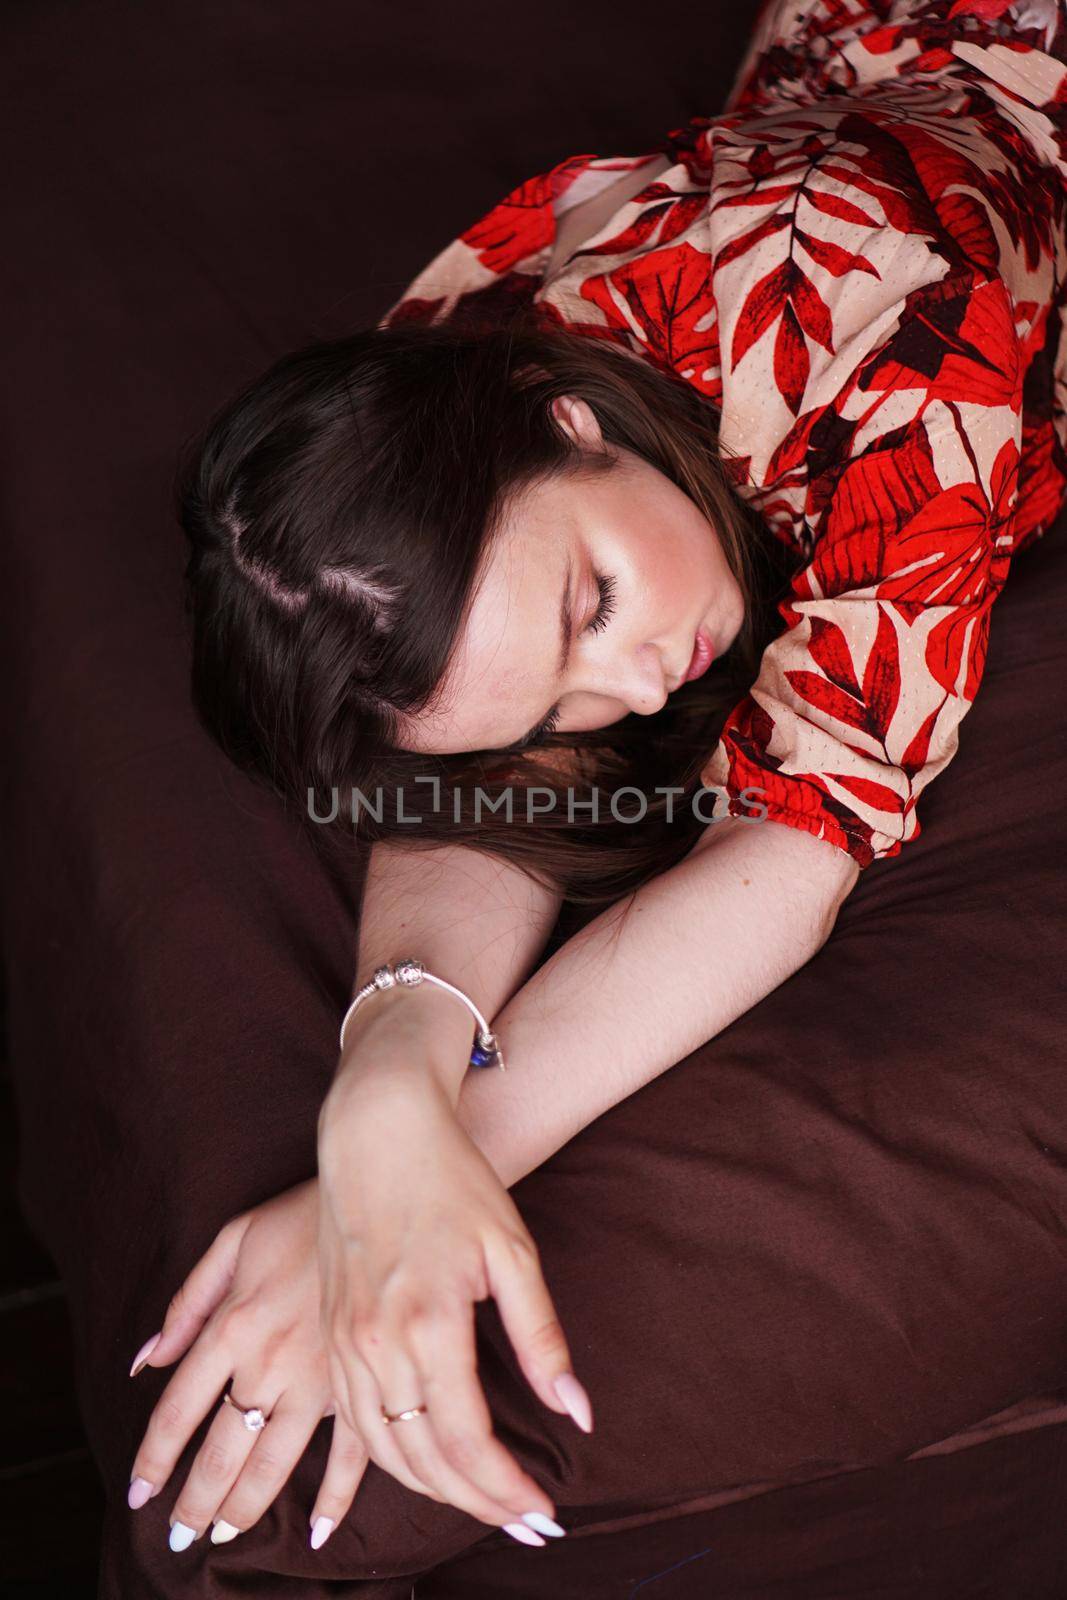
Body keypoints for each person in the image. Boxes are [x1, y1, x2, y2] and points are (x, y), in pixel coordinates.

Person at [124, 0, 1067, 1565]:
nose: (640, 685)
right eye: (557, 687)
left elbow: (798, 845)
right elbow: (490, 789)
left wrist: (414, 1190)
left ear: (566, 415)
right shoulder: (409, 437)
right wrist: (384, 1083)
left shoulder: (900, 337)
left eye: (590, 607)